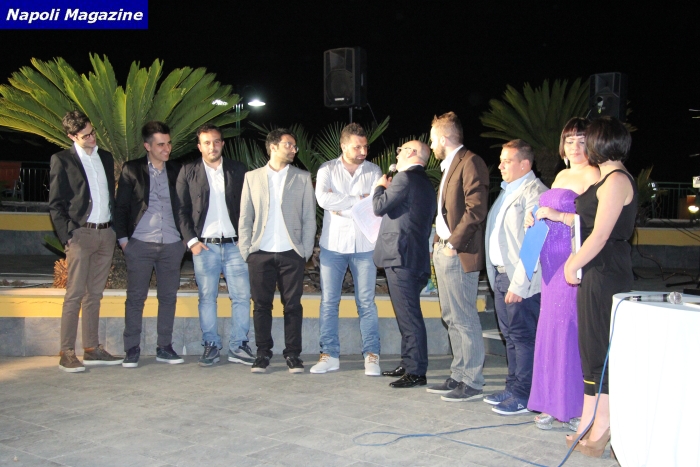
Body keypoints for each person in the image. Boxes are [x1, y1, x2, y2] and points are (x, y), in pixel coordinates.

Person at [564, 117, 637, 457]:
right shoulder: (607, 178)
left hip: (606, 271)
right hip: (597, 269)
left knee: (599, 349)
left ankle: (602, 422)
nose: (583, 146)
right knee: (591, 348)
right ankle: (589, 418)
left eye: (588, 139)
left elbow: (601, 234)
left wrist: (572, 263)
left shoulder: (617, 180)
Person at [525, 118, 600, 428]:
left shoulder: (594, 175)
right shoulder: (561, 174)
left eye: (582, 140)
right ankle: (550, 402)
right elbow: (550, 213)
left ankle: (574, 406)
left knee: (569, 331)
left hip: (571, 262)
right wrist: (535, 219)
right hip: (548, 263)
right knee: (550, 332)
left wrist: (557, 215)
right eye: (570, 141)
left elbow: (593, 222)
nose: (575, 146)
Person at [48, 110, 123, 372]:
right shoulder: (62, 160)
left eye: (92, 132)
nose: (92, 138)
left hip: (106, 233)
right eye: (85, 135)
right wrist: (68, 235)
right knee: (75, 294)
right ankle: (67, 352)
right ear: (72, 136)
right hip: (81, 235)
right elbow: (55, 203)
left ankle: (91, 349)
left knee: (95, 295)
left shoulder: (105, 157)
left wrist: (114, 229)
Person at [238, 128, 316, 374]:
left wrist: (304, 251)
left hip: (291, 252)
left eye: (295, 146)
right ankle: (263, 353)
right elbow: (245, 216)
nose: (294, 149)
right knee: (261, 306)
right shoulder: (252, 177)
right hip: (259, 252)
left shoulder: (302, 177)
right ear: (273, 146)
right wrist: (247, 250)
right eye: (289, 145)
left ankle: (293, 354)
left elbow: (309, 217)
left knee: (292, 305)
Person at [175, 123, 253, 367]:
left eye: (217, 141)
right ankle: (211, 344)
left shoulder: (238, 170)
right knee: (207, 298)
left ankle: (239, 345)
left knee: (242, 297)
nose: (212, 146)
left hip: (235, 246)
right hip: (204, 247)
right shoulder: (188, 171)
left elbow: (249, 205)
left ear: (223, 144)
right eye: (207, 142)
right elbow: (181, 209)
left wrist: (245, 238)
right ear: (199, 146)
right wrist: (192, 242)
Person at [426, 112, 489, 402]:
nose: (431, 145)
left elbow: (476, 209)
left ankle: (472, 381)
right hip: (444, 250)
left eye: (432, 139)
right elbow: (447, 212)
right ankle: (459, 374)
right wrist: (439, 242)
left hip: (458, 252)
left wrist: (453, 243)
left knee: (464, 317)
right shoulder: (450, 165)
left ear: (443, 138)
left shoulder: (470, 161)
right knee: (451, 316)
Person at [311, 123, 383, 376]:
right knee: (329, 302)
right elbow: (323, 199)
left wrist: (341, 207)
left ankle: (371, 355)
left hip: (365, 246)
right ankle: (329, 355)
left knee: (366, 303)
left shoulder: (374, 171)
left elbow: (375, 205)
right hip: (333, 246)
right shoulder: (327, 169)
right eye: (357, 147)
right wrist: (359, 200)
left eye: (365, 146)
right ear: (343, 146)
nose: (363, 151)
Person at [115, 121, 186, 368]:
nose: (167, 149)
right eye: (161, 145)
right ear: (147, 146)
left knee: (168, 297)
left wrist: (184, 241)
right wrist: (124, 241)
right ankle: (131, 348)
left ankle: (164, 347)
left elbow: (186, 206)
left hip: (172, 244)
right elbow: (121, 207)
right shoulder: (132, 169)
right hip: (140, 243)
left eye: (169, 143)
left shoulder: (177, 170)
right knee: (136, 297)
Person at [484, 139, 547, 414]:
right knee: (510, 336)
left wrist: (520, 284)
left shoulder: (535, 193)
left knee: (523, 337)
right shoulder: (508, 190)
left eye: (507, 161)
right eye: (501, 160)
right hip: (501, 276)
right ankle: (512, 388)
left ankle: (524, 395)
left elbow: (534, 241)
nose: (500, 166)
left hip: (521, 280)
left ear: (525, 164)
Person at [373, 140, 437, 388]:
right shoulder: (425, 183)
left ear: (411, 153)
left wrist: (380, 187)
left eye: (399, 151)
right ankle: (408, 362)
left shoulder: (404, 178)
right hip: (414, 256)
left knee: (409, 316)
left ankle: (416, 371)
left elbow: (379, 206)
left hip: (401, 257)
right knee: (407, 314)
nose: (397, 155)